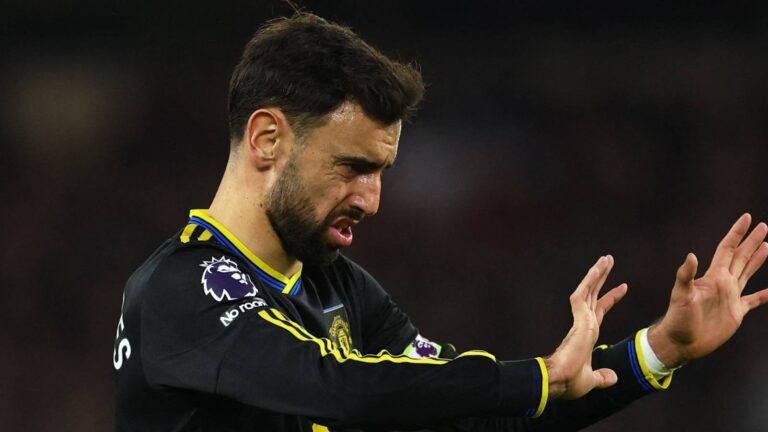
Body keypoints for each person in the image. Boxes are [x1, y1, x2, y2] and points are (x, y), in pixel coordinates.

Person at [113, 13, 768, 432]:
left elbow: (474, 412)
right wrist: (536, 377)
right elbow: (338, 388)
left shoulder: (343, 289)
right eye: (352, 167)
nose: (372, 200)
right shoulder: (179, 291)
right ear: (267, 139)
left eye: (381, 172)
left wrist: (658, 349)